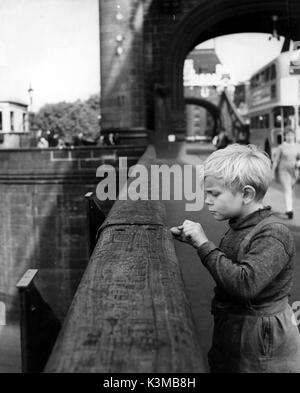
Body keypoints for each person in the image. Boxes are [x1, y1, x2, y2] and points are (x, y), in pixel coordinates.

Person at [170, 144, 300, 373]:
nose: (207, 200)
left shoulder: (274, 234)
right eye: (206, 193)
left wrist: (203, 244)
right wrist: (196, 242)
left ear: (247, 194)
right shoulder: (239, 226)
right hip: (238, 335)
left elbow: (244, 284)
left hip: (262, 348)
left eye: (215, 194)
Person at [272, 128, 300, 219]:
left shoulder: (298, 146)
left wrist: (298, 162)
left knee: (291, 190)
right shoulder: (281, 147)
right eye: (288, 135)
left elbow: (299, 158)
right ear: (285, 136)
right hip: (283, 170)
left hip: (294, 171)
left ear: (294, 136)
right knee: (287, 189)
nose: (290, 136)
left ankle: (289, 206)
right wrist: (272, 171)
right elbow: (276, 160)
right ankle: (289, 210)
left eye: (291, 135)